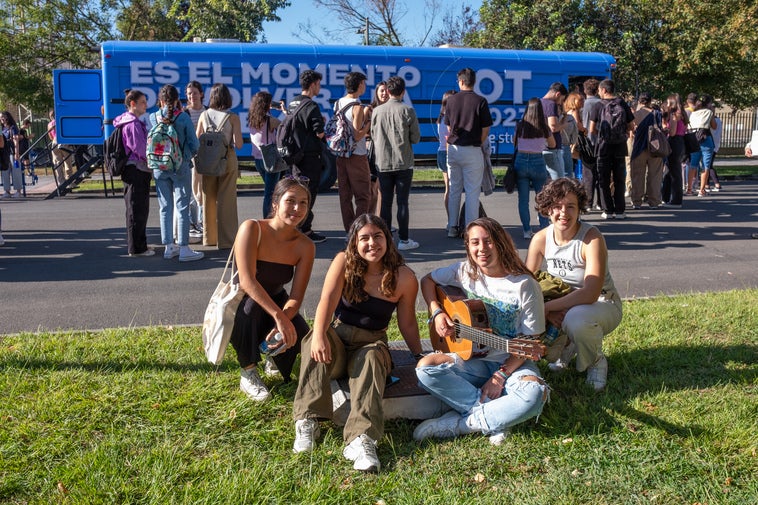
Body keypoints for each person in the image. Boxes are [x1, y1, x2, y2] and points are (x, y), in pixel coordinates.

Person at [292, 214, 423, 472]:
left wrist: (419, 356)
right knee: (314, 337)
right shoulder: (343, 262)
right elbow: (326, 303)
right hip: (339, 341)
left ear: (388, 239)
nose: (372, 243)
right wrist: (319, 334)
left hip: (371, 344)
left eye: (378, 236)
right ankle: (307, 420)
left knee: (373, 357)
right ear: (354, 242)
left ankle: (361, 439)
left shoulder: (404, 277)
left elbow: (407, 323)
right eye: (364, 238)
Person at [413, 217, 549, 445]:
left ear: (501, 243)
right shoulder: (464, 271)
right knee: (425, 370)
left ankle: (463, 424)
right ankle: (497, 416)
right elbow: (427, 280)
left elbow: (531, 339)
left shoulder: (524, 284)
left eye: (488, 241)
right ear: (468, 246)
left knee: (535, 395)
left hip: (513, 361)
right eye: (474, 242)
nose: (481, 249)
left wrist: (501, 375)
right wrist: (437, 312)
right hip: (471, 360)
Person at [526, 178, 622, 391]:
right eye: (557, 206)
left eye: (571, 206)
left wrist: (548, 308)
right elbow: (526, 285)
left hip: (602, 303)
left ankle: (596, 361)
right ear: (547, 209)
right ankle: (567, 349)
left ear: (580, 210)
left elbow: (590, 292)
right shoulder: (541, 239)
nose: (564, 213)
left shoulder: (591, 238)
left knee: (576, 319)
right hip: (561, 306)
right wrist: (546, 313)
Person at [230, 177, 316, 401]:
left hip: (278, 298)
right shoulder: (252, 228)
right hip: (244, 299)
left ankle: (270, 353)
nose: (297, 209)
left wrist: (286, 319)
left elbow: (296, 296)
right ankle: (248, 371)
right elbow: (247, 282)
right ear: (275, 203)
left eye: (304, 203)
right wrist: (279, 318)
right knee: (249, 313)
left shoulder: (306, 246)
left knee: (301, 337)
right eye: (291, 201)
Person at [147, 84, 203, 262]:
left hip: (159, 167)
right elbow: (195, 144)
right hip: (180, 167)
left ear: (161, 100)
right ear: (178, 99)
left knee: (165, 207)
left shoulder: (152, 117)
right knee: (182, 206)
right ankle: (184, 247)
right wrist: (185, 157)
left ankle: (168, 247)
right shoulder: (183, 118)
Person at [370, 76, 421, 251]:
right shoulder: (408, 111)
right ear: (403, 92)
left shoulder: (376, 111)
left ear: (389, 92)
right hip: (403, 163)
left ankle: (385, 238)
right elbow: (415, 138)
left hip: (383, 163)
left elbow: (374, 135)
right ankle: (405, 240)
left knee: (385, 203)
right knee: (403, 202)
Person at [445, 68, 493, 237]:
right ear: (473, 81)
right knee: (472, 192)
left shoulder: (451, 100)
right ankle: (469, 229)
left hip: (454, 149)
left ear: (462, 81)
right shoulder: (481, 101)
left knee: (454, 189)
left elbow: (449, 127)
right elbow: (486, 128)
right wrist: (478, 142)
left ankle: (452, 227)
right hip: (473, 150)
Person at [196, 83, 244, 249]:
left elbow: (197, 140)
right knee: (227, 200)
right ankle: (227, 240)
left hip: (208, 160)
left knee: (208, 198)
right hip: (227, 159)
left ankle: (209, 238)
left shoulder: (204, 115)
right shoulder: (233, 117)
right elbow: (238, 144)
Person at [286, 70, 327, 243]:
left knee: (298, 191)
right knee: (308, 194)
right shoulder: (311, 106)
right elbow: (319, 133)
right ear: (313, 85)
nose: (319, 87)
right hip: (309, 157)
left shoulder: (293, 103)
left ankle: (296, 226)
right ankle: (305, 230)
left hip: (295, 156)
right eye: (318, 84)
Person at [113, 89, 153, 257]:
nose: (146, 105)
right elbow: (141, 149)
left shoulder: (125, 122)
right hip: (137, 169)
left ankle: (138, 245)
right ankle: (137, 248)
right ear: (133, 104)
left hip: (131, 169)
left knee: (134, 208)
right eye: (143, 102)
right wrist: (153, 161)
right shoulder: (133, 124)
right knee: (137, 209)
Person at [588, 79, 634, 220]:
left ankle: (607, 210)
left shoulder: (598, 106)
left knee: (604, 180)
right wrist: (623, 134)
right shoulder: (622, 104)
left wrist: (602, 135)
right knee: (619, 179)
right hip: (620, 147)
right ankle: (620, 211)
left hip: (603, 148)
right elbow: (632, 125)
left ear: (603, 90)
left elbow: (591, 129)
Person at [335, 72, 372, 232]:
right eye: (363, 83)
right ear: (360, 85)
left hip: (341, 153)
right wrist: (369, 121)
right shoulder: (357, 106)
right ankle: (359, 230)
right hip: (356, 155)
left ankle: (348, 229)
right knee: (363, 195)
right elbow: (357, 134)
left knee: (345, 195)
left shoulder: (338, 103)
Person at [514, 97, 556, 239]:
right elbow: (553, 144)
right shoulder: (544, 127)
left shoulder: (520, 126)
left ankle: (526, 230)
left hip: (521, 160)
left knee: (523, 199)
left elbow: (515, 143)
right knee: (542, 197)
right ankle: (544, 227)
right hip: (538, 161)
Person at [248, 91, 283, 218]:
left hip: (258, 159)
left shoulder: (252, 119)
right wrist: (284, 111)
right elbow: (285, 127)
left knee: (269, 191)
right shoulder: (270, 120)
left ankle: (270, 217)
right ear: (267, 104)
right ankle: (268, 219)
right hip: (270, 159)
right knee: (270, 193)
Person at [629, 92, 664, 209]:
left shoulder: (636, 114)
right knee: (655, 175)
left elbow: (631, 129)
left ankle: (636, 201)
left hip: (639, 147)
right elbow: (663, 128)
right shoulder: (657, 114)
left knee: (637, 175)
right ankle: (654, 201)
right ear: (650, 101)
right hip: (655, 148)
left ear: (639, 101)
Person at [185, 81, 206, 242]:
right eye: (189, 93)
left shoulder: (207, 112)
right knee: (192, 190)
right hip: (190, 156)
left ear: (201, 94)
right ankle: (194, 222)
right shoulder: (185, 113)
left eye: (195, 93)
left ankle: (204, 221)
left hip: (207, 156)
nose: (192, 96)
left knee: (205, 189)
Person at [661, 93, 688, 208]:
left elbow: (672, 132)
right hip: (680, 142)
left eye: (668, 102)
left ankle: (676, 200)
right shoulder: (682, 114)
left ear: (672, 103)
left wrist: (665, 128)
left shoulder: (674, 115)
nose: (667, 104)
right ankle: (665, 197)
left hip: (674, 142)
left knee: (674, 172)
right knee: (669, 171)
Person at [367, 81, 390, 214]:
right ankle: (370, 218)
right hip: (374, 153)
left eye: (387, 90)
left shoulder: (393, 109)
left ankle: (381, 219)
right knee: (373, 189)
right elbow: (365, 131)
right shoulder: (370, 109)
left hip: (388, 154)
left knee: (385, 189)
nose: (384, 93)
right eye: (381, 90)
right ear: (376, 92)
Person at [689, 95, 717, 198]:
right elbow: (714, 126)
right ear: (708, 103)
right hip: (705, 138)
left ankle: (689, 189)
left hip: (694, 138)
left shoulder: (694, 113)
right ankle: (701, 190)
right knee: (705, 165)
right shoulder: (709, 112)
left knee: (693, 164)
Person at [541, 82, 569, 181]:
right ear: (557, 94)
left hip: (541, 146)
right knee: (559, 181)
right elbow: (552, 127)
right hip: (553, 149)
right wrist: (564, 125)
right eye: (562, 99)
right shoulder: (551, 104)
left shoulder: (538, 102)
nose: (560, 103)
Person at [581, 79, 602, 210]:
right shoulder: (602, 103)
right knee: (601, 173)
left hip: (588, 142)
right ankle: (601, 202)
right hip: (602, 141)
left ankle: (588, 203)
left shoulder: (583, 105)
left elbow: (583, 125)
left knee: (588, 174)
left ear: (585, 90)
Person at [436, 90, 456, 220]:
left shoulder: (441, 118)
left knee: (448, 188)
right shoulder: (450, 119)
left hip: (441, 152)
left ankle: (450, 219)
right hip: (450, 152)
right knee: (453, 189)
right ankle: (453, 220)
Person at [46, 110, 76, 187]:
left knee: (57, 163)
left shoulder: (49, 125)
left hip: (54, 142)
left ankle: (60, 182)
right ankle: (70, 181)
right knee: (68, 161)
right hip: (63, 141)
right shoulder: (61, 121)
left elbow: (50, 136)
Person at [1, 111, 23, 198]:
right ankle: (7, 191)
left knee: (16, 171)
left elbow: (16, 141)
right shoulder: (2, 129)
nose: (1, 119)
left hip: (12, 152)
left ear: (7, 117)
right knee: (5, 172)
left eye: (3, 117)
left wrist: (16, 153)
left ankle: (18, 191)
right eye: (0, 117)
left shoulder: (13, 128)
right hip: (4, 154)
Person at [561, 92, 583, 179]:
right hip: (572, 142)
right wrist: (585, 129)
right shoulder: (574, 111)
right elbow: (578, 125)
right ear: (574, 101)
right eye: (580, 100)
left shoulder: (566, 112)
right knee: (568, 172)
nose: (582, 102)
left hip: (565, 142)